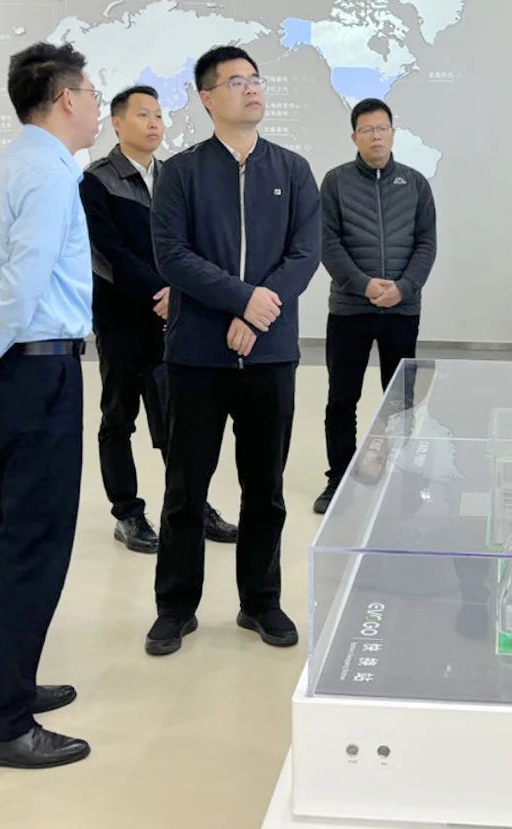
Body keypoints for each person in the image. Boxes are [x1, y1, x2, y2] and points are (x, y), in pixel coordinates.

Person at [0, 41, 96, 771]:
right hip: (36, 372)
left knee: (3, 531)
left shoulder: (16, 165)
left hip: (14, 372)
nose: (97, 108)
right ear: (65, 98)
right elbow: (23, 282)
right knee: (33, 542)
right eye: (91, 94)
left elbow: (2, 279)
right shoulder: (47, 174)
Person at [145, 45, 320, 656]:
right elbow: (173, 256)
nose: (252, 89)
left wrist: (259, 311)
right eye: (237, 81)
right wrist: (244, 301)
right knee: (185, 489)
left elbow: (305, 254)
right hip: (197, 356)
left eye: (256, 79)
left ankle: (261, 602)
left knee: (265, 489)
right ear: (207, 97)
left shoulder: (292, 170)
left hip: (269, 358)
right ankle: (175, 607)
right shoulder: (181, 173)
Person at [80, 84, 237, 553]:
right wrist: (160, 291)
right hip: (122, 319)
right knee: (119, 416)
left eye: (158, 116)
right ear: (117, 123)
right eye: (142, 115)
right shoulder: (97, 181)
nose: (154, 124)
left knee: (179, 418)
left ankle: (192, 505)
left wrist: (181, 292)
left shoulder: (174, 176)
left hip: (175, 318)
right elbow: (109, 251)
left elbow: (193, 243)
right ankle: (127, 513)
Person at [314, 97, 437, 514]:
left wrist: (404, 288)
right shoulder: (335, 182)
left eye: (382, 128)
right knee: (341, 399)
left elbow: (426, 243)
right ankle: (338, 479)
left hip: (402, 310)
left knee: (402, 400)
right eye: (367, 130)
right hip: (350, 308)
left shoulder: (416, 184)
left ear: (392, 133)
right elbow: (327, 243)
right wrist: (364, 285)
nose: (376, 136)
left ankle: (405, 477)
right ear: (355, 137)